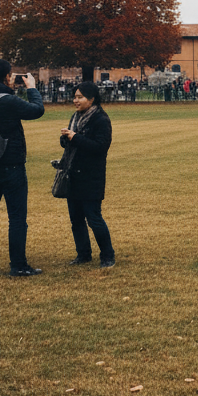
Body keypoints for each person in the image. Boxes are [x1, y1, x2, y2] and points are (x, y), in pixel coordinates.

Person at [0, 58, 45, 277]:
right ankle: (18, 265)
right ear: (6, 76)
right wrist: (32, 88)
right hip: (10, 164)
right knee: (16, 217)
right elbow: (37, 110)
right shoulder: (7, 101)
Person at [60, 82, 115, 268]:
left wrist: (75, 138)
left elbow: (100, 147)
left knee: (93, 218)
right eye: (74, 97)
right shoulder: (75, 117)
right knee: (76, 219)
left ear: (91, 99)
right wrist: (66, 139)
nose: (75, 101)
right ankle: (83, 254)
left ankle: (108, 255)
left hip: (91, 176)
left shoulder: (101, 119)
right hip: (73, 174)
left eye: (80, 97)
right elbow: (73, 143)